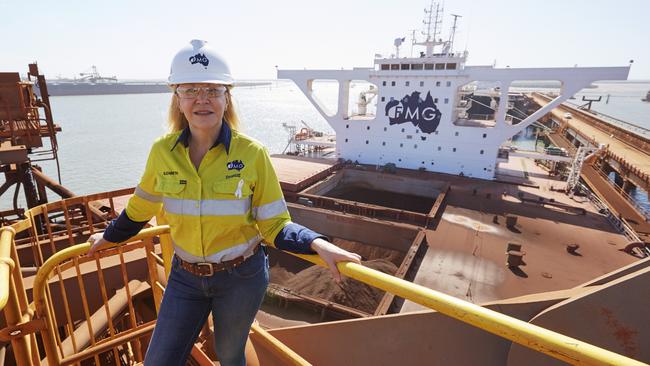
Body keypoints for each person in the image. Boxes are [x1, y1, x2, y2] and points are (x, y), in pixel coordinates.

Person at [87, 39, 361, 366]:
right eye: (190, 90)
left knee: (230, 355)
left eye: (213, 90)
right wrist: (109, 237)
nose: (202, 99)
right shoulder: (162, 152)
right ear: (177, 98)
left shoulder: (252, 154)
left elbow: (274, 223)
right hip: (185, 277)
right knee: (158, 361)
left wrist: (316, 243)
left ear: (226, 97)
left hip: (240, 277)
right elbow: (139, 209)